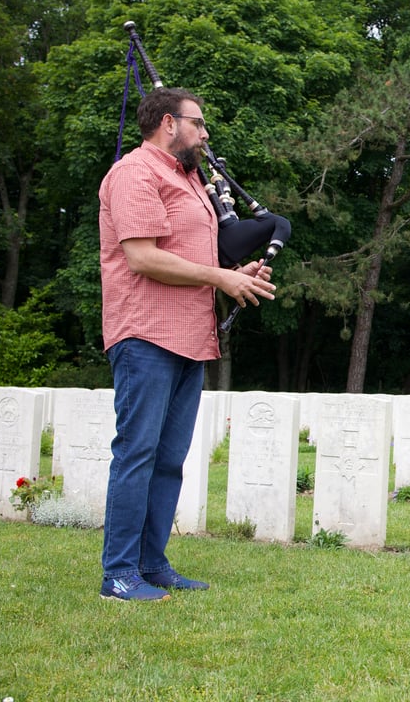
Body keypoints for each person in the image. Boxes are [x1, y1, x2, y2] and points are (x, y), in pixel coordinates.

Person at [98, 87, 276, 602]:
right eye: (198, 124)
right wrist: (221, 279)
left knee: (170, 458)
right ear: (167, 123)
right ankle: (119, 574)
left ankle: (152, 565)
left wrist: (233, 274)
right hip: (145, 333)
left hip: (190, 337)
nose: (204, 134)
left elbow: (190, 257)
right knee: (137, 453)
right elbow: (143, 258)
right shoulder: (136, 173)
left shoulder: (189, 180)